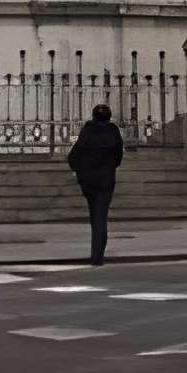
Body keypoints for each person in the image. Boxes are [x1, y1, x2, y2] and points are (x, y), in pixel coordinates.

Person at [67, 103, 123, 266]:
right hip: (105, 179)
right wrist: (110, 166)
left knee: (95, 215)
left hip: (89, 179)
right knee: (101, 217)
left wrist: (78, 170)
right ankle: (97, 255)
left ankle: (96, 253)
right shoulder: (113, 131)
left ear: (93, 116)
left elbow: (75, 153)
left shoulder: (88, 129)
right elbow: (118, 156)